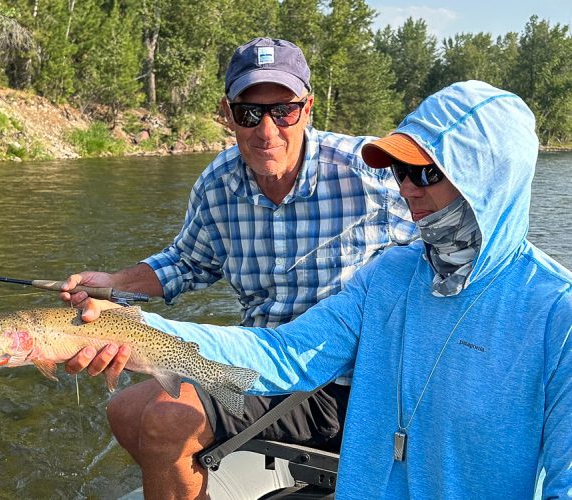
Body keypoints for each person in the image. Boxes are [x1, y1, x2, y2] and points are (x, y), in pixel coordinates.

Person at [114, 80, 572, 497]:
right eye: (400, 171)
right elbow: (282, 353)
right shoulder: (389, 276)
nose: (408, 189)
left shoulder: (557, 315)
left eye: (426, 172)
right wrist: (132, 332)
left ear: (489, 181)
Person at [61, 37, 417, 498]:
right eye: (249, 114)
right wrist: (112, 284)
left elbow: (444, 240)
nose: (267, 131)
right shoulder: (218, 183)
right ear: (228, 114)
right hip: (257, 368)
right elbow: (187, 262)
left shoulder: (370, 172)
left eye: (283, 111)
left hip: (347, 384)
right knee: (125, 412)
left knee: (167, 420)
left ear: (308, 108)